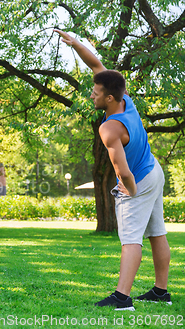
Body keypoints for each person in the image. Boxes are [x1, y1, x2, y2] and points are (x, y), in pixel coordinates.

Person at [53, 29, 171, 310]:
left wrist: (128, 192)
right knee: (157, 233)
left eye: (95, 94)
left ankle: (122, 298)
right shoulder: (124, 98)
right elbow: (97, 66)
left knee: (131, 240)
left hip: (138, 178)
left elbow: (125, 172)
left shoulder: (109, 129)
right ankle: (161, 292)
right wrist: (76, 43)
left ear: (108, 98)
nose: (91, 96)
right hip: (154, 170)